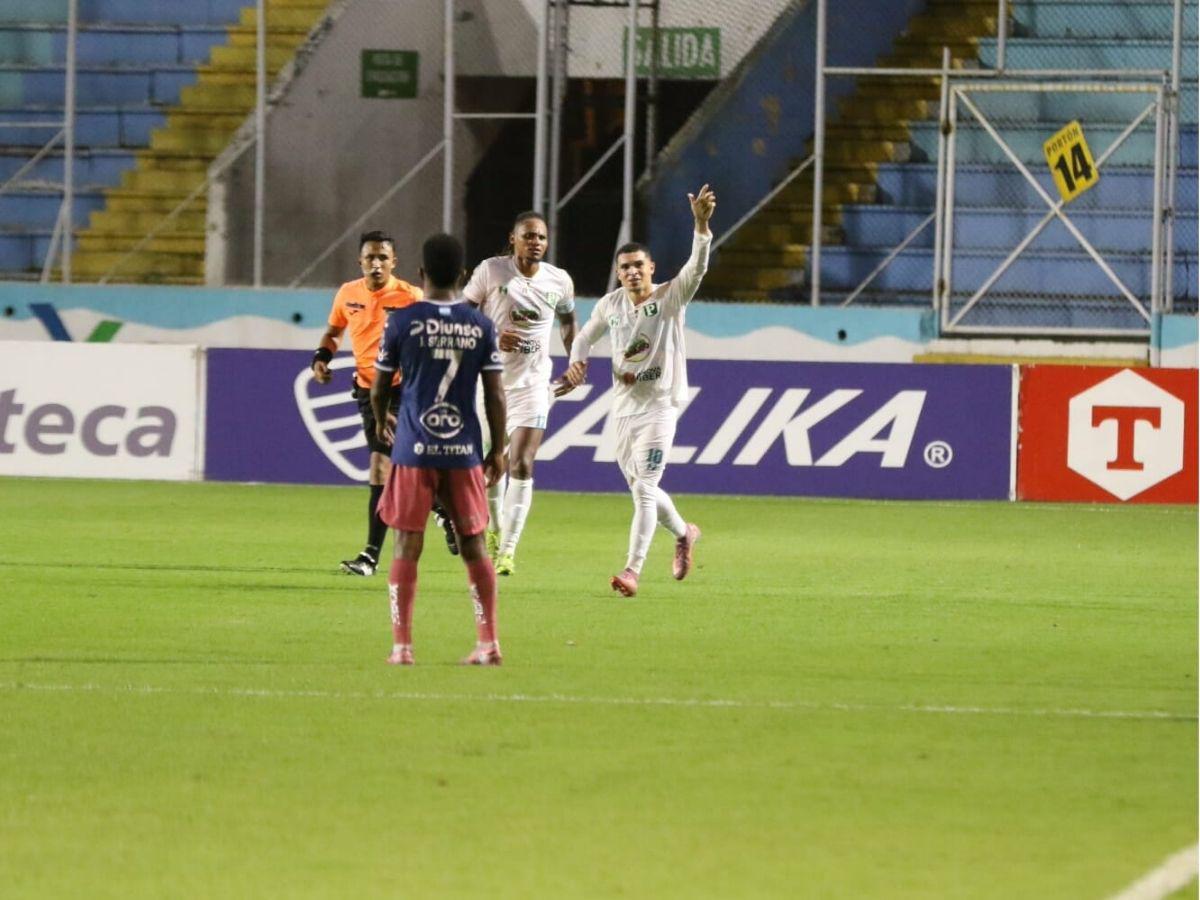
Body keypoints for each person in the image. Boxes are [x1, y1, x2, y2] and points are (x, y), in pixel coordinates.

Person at [557, 184, 715, 597]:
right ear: (618, 271)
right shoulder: (611, 305)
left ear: (651, 267)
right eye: (624, 266)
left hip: (662, 406)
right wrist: (577, 363)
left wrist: (701, 226)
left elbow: (696, 269)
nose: (631, 272)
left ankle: (632, 571)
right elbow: (584, 337)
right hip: (625, 409)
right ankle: (683, 533)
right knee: (643, 489)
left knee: (644, 488)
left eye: (638, 265)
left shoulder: (669, 298)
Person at [371, 232, 508, 666]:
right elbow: (495, 396)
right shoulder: (481, 326)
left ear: (421, 274)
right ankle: (488, 643)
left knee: (406, 544)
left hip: (414, 450)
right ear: (464, 275)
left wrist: (380, 419)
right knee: (474, 546)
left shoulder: (401, 322)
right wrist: (498, 449)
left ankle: (402, 647)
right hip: (463, 450)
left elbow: (379, 387)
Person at [311, 229, 457, 578]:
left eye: (383, 258)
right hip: (367, 389)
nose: (376, 264)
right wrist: (321, 357)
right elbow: (334, 332)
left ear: (394, 262)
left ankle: (370, 556)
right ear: (360, 261)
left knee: (384, 466)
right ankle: (441, 510)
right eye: (370, 258)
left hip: (407, 389)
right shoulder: (348, 293)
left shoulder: (411, 296)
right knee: (395, 468)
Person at [463, 210, 577, 576]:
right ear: (513, 239)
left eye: (541, 237)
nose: (536, 242)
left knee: (522, 463)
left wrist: (574, 359)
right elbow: (461, 317)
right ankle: (496, 529)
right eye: (528, 236)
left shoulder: (558, 280)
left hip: (532, 385)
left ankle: (508, 551)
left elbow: (569, 320)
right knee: (490, 464)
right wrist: (492, 337)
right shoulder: (491, 271)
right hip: (490, 384)